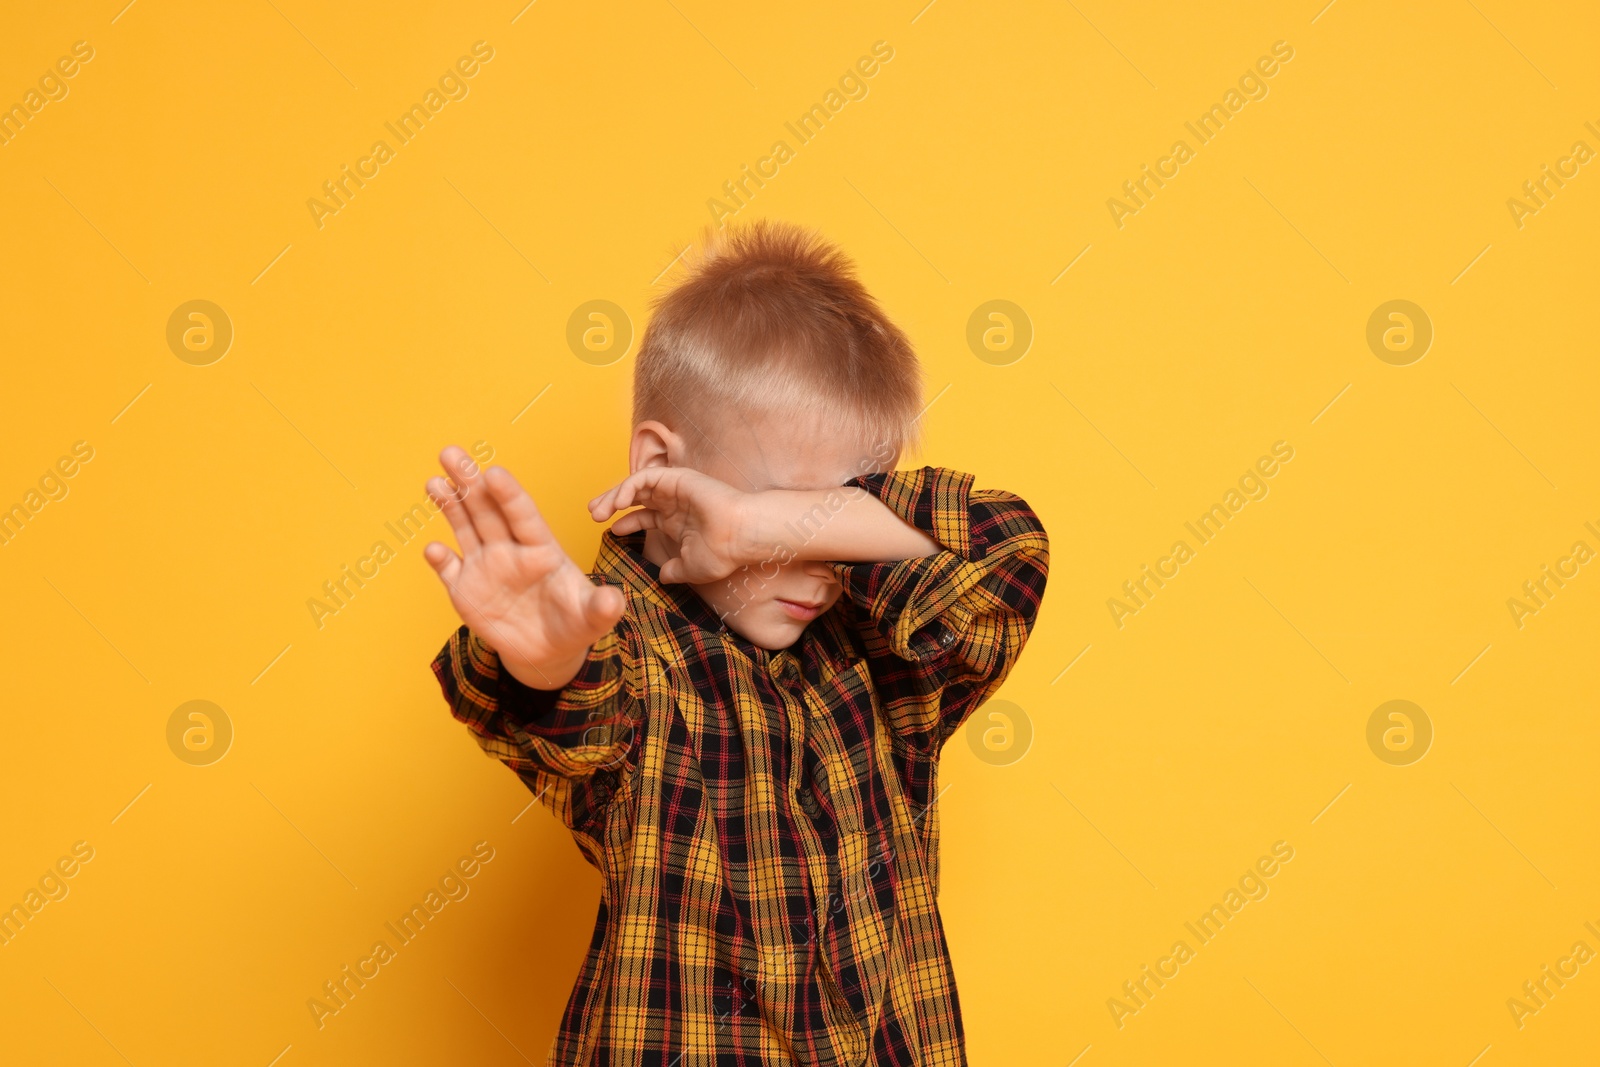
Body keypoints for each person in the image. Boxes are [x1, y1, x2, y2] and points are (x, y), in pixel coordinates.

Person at [423, 218, 1049, 1065]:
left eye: (839, 514)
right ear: (659, 466)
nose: (818, 559)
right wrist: (548, 660)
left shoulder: (884, 656)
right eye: (791, 503)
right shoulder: (638, 658)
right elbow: (581, 721)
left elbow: (1007, 554)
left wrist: (758, 521)